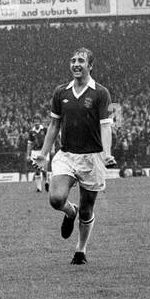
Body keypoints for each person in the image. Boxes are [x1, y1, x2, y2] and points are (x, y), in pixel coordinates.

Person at [37, 47, 115, 265]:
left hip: (93, 158)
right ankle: (70, 212)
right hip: (67, 155)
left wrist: (107, 154)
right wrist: (44, 154)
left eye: (81, 60)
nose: (76, 64)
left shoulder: (101, 93)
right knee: (55, 199)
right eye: (73, 60)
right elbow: (54, 124)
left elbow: (106, 126)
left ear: (90, 65)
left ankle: (80, 250)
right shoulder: (61, 92)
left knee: (88, 208)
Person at [25, 119, 50, 193]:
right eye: (35, 122)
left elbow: (50, 139)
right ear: (33, 123)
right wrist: (28, 155)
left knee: (44, 170)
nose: (36, 123)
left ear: (40, 122)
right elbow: (29, 144)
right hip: (35, 152)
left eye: (37, 121)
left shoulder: (44, 129)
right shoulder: (31, 132)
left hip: (43, 151)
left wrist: (51, 148)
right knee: (37, 171)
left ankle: (47, 182)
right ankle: (39, 188)